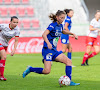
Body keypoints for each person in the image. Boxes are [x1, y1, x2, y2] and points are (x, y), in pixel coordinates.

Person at [22, 10, 80, 86]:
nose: (63, 20)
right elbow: (44, 34)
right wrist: (48, 43)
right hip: (47, 50)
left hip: (54, 51)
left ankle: (69, 81)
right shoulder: (52, 25)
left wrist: (72, 33)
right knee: (46, 71)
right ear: (57, 17)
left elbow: (63, 31)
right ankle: (30, 69)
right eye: (61, 18)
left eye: (64, 18)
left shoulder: (60, 25)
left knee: (68, 61)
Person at [0, 16, 20, 80]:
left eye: (17, 22)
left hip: (5, 45)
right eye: (14, 22)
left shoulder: (17, 30)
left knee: (1, 59)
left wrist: (14, 50)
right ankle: (1, 76)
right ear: (10, 22)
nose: (15, 24)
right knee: (4, 57)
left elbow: (16, 40)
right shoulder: (3, 26)